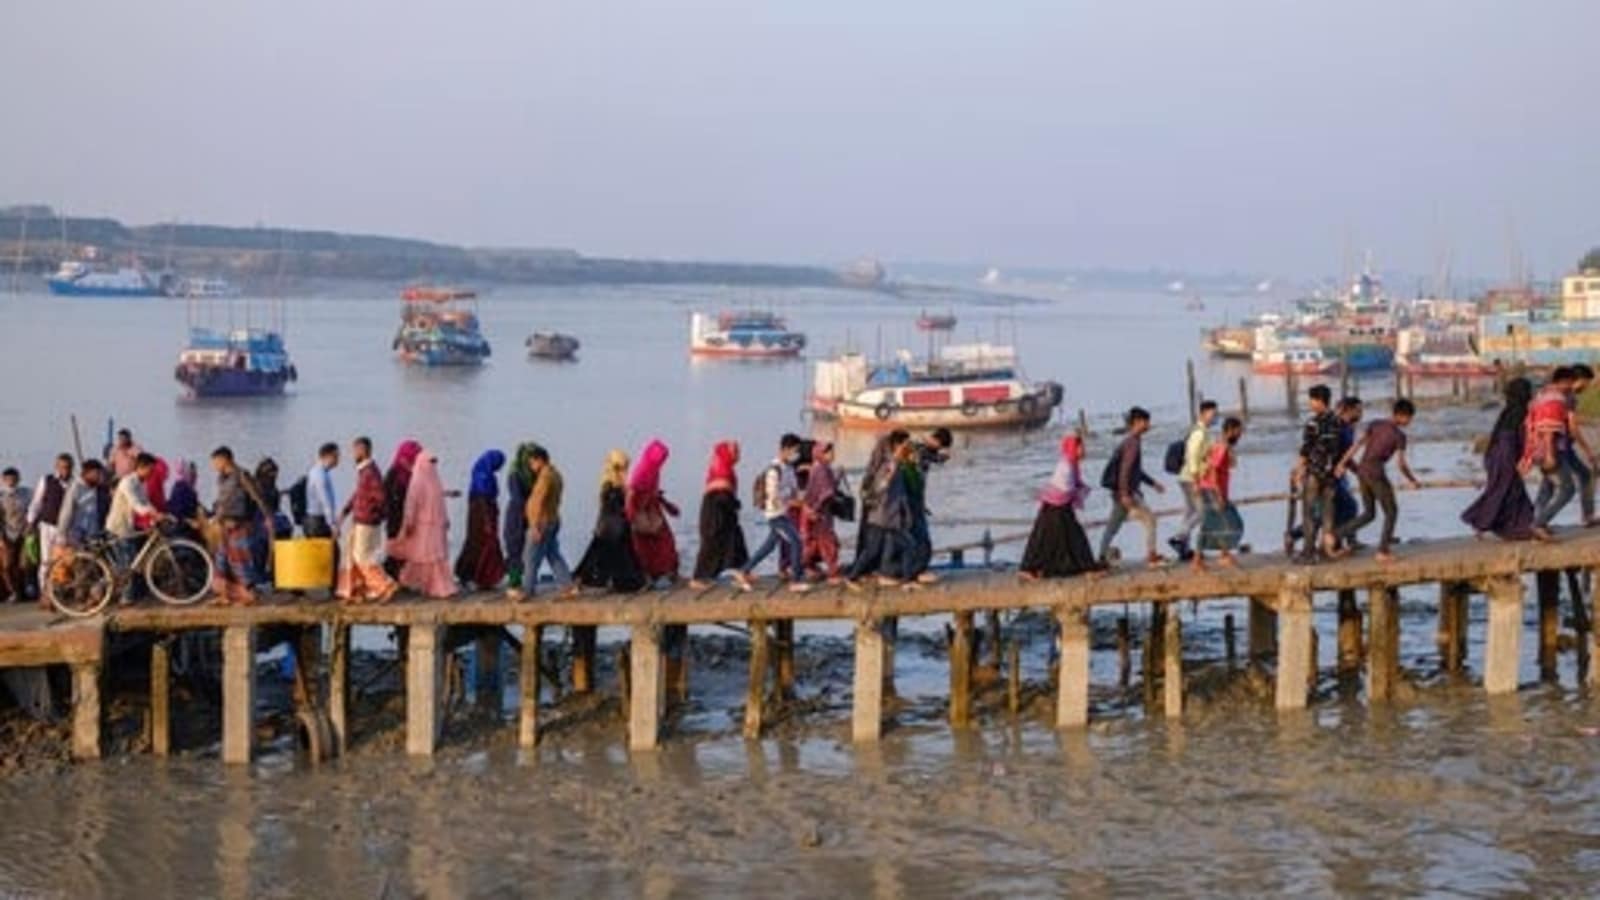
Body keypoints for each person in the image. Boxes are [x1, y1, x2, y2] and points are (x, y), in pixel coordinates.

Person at [1335, 399, 1421, 562]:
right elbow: (1402, 465)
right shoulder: (1399, 436)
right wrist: (1413, 480)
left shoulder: (1376, 424)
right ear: (1402, 416)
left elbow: (1356, 446)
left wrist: (1341, 463)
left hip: (1362, 471)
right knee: (1391, 511)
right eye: (1410, 418)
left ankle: (1335, 535)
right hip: (1375, 472)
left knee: (1369, 513)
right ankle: (1382, 551)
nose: (1410, 422)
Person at [1463, 377, 1536, 540]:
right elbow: (1520, 438)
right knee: (1503, 490)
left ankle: (1517, 526)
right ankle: (1481, 522)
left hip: (1496, 454)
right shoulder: (1521, 412)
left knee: (1510, 490)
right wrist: (1525, 458)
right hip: (1506, 456)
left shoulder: (1507, 411)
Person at [1020, 434, 1099, 580]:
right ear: (1074, 448)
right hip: (1055, 506)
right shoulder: (1066, 466)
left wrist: (1078, 490)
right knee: (1047, 538)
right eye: (1081, 447)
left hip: (1060, 506)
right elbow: (1064, 488)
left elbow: (1072, 486)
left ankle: (1083, 567)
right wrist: (1077, 491)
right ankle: (1028, 569)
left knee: (1065, 538)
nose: (1084, 450)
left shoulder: (1072, 464)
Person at [735, 434, 807, 592]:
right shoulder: (774, 470)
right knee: (796, 542)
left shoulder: (788, 468)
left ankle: (743, 571)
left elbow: (794, 490)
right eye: (794, 450)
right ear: (785, 449)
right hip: (775, 515)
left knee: (769, 546)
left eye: (798, 451)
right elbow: (774, 497)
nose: (796, 454)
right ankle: (795, 581)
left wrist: (801, 497)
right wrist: (793, 502)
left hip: (783, 513)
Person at [1098, 407, 1166, 568]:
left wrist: (1152, 483)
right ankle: (1151, 556)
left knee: (1114, 525)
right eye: (1146, 421)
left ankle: (1102, 556)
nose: (1149, 425)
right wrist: (1125, 495)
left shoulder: (1130, 441)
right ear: (1137, 422)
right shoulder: (1132, 443)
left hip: (1124, 492)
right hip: (1126, 493)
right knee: (1149, 519)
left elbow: (1135, 470)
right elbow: (1125, 470)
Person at [338, 437, 399, 603]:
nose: (354, 454)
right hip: (361, 519)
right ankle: (357, 591)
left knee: (362, 557)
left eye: (356, 450)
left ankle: (385, 585)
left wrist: (374, 513)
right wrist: (345, 511)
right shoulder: (364, 471)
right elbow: (358, 494)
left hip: (367, 521)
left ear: (365, 451)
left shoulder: (371, 471)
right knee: (352, 555)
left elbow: (380, 496)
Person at [575, 449, 646, 591]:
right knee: (601, 557)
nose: (626, 470)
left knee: (611, 557)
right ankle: (583, 582)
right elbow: (611, 508)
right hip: (612, 529)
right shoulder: (610, 485)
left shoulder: (615, 483)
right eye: (622, 467)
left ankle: (621, 583)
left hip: (614, 527)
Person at [388, 449, 455, 598]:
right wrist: (409, 523)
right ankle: (422, 583)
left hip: (435, 526)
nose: (431, 466)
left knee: (433, 557)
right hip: (422, 526)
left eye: (433, 463)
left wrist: (445, 520)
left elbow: (440, 503)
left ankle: (435, 585)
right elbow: (411, 504)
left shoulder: (434, 479)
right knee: (422, 556)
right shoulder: (418, 481)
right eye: (429, 462)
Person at [847, 430, 912, 581]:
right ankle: (852, 577)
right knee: (873, 550)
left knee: (903, 546)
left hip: (890, 518)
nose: (908, 448)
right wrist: (887, 480)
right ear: (897, 445)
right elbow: (878, 488)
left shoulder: (897, 464)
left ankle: (902, 578)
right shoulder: (889, 466)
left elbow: (900, 492)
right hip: (881, 517)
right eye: (906, 445)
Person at [512, 446, 571, 599]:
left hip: (541, 522)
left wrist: (534, 526)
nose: (531, 467)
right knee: (553, 555)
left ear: (540, 460)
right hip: (552, 519)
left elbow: (538, 501)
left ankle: (526, 590)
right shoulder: (556, 474)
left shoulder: (545, 477)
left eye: (532, 463)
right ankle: (567, 586)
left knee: (529, 557)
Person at [1526, 367, 1578, 540]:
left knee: (1547, 488)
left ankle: (1538, 522)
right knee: (1568, 489)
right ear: (1563, 381)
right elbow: (1549, 429)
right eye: (1570, 382)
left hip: (1536, 449)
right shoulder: (1556, 400)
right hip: (1550, 449)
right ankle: (1538, 524)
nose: (1572, 386)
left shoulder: (1541, 396)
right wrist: (1550, 454)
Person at [689, 441, 750, 588]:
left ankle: (741, 570)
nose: (738, 455)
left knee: (735, 539)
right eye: (735, 452)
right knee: (712, 544)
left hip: (723, 509)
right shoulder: (722, 468)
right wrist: (734, 504)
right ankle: (699, 578)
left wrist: (733, 504)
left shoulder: (725, 467)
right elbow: (721, 493)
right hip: (715, 511)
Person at [1293, 385, 1342, 561]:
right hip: (1331, 474)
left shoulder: (1313, 423)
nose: (1311, 404)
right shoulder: (1337, 421)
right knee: (1328, 512)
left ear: (1320, 401)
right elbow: (1339, 448)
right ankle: (1326, 550)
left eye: (1312, 400)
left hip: (1314, 471)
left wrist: (1299, 471)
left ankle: (1308, 551)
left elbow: (1306, 449)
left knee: (1308, 512)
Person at [210, 447, 265, 606]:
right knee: (221, 562)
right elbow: (222, 500)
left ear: (225, 460)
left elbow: (257, 497)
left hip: (240, 524)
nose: (214, 466)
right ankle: (225, 596)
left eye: (215, 462)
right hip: (224, 525)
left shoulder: (242, 475)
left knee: (240, 562)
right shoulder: (221, 478)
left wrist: (266, 518)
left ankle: (249, 596)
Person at [105, 453, 161, 604]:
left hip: (128, 528)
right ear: (141, 467)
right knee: (127, 564)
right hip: (118, 528)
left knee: (133, 562)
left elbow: (146, 502)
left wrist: (157, 514)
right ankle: (124, 598)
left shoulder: (140, 483)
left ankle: (130, 595)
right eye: (150, 469)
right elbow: (137, 505)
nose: (152, 473)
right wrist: (152, 513)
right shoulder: (127, 482)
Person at [626, 439, 680, 585]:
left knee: (665, 544)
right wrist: (631, 515)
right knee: (645, 548)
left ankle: (664, 574)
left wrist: (668, 507)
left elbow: (654, 492)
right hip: (640, 513)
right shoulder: (641, 471)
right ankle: (650, 576)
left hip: (652, 511)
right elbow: (631, 493)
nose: (661, 462)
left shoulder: (653, 471)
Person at [1193, 417, 1245, 571]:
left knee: (1215, 523)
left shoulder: (1220, 445)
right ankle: (1202, 559)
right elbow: (1214, 470)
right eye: (1239, 431)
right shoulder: (1221, 446)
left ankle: (1222, 554)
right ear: (1231, 431)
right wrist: (1219, 495)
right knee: (1231, 522)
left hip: (1212, 489)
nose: (1240, 435)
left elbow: (1230, 464)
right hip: (1212, 490)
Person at [455, 450, 509, 591]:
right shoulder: (484, 476)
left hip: (480, 514)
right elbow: (482, 499)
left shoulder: (482, 472)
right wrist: (487, 522)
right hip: (482, 515)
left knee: (478, 544)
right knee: (485, 545)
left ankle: (478, 576)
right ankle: (480, 576)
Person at [1171, 401, 1218, 560]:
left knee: (1190, 512)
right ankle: (1178, 537)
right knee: (1202, 512)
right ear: (1203, 414)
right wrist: (1197, 481)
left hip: (1187, 477)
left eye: (1215, 414)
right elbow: (1192, 457)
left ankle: (1184, 548)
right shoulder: (1199, 433)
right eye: (1212, 414)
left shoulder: (1202, 431)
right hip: (1191, 478)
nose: (1214, 417)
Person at [27, 454, 74, 603]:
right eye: (61, 467)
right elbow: (36, 502)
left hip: (67, 527)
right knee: (46, 560)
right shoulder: (47, 480)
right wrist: (30, 521)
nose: (64, 470)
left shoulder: (75, 483)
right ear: (57, 467)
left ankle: (61, 592)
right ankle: (45, 593)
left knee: (65, 561)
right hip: (48, 526)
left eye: (67, 467)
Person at [801, 441, 845, 583]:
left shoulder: (820, 468)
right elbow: (827, 492)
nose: (832, 455)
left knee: (815, 543)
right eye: (829, 452)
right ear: (821, 454)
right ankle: (833, 572)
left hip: (815, 512)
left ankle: (807, 565)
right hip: (819, 513)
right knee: (828, 543)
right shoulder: (821, 470)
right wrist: (816, 510)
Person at [382, 440, 423, 577]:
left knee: (406, 550)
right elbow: (387, 497)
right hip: (395, 518)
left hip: (407, 518)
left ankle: (399, 578)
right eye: (410, 459)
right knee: (395, 550)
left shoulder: (411, 475)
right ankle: (389, 577)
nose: (412, 463)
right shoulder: (394, 474)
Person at [503, 442, 540, 588]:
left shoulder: (522, 472)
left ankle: (519, 580)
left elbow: (518, 497)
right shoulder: (518, 473)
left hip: (521, 513)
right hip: (519, 513)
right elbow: (518, 497)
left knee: (519, 547)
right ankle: (517, 579)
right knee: (516, 546)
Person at [0, 468, 32, 602]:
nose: (11, 482)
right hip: (8, 535)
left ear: (18, 479)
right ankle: (12, 591)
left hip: (24, 533)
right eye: (8, 479)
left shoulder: (26, 494)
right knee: (7, 566)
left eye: (14, 479)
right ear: (3, 480)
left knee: (23, 565)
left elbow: (32, 510)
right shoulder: (1, 497)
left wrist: (31, 527)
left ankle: (22, 591)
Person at [302, 442, 341, 540]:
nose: (338, 460)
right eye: (336, 456)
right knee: (330, 553)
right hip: (318, 522)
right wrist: (332, 525)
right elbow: (325, 501)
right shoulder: (320, 475)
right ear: (328, 456)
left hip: (314, 520)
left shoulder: (317, 471)